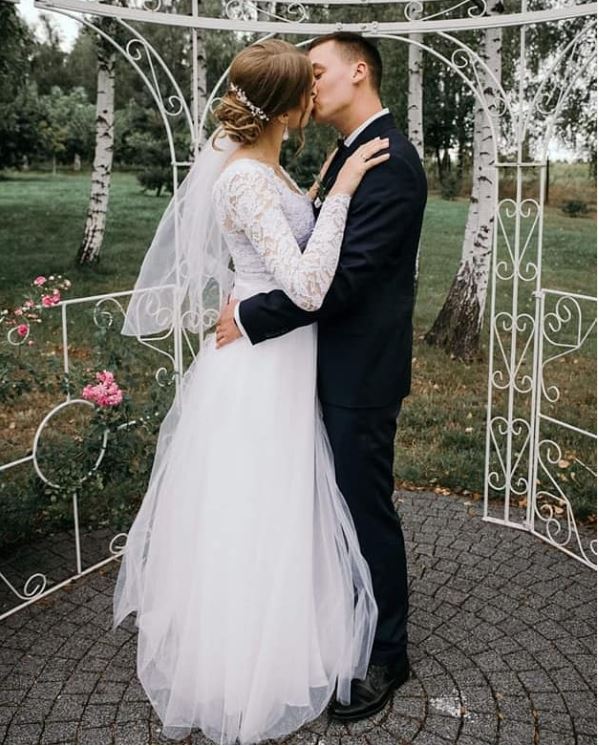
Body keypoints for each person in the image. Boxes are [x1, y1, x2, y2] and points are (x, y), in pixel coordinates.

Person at [113, 39, 391, 745]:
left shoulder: (268, 167)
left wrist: (320, 192)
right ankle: (241, 661)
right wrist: (341, 196)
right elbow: (306, 285)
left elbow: (280, 245)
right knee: (254, 500)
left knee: (284, 495)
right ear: (289, 106)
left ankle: (290, 630)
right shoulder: (243, 177)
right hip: (260, 366)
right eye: (307, 86)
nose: (315, 94)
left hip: (282, 355)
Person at [216, 32, 428, 722]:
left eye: (317, 72)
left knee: (364, 509)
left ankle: (387, 654)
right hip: (312, 363)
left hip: (359, 372)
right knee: (322, 504)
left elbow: (345, 280)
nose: (308, 87)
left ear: (358, 71)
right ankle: (330, 622)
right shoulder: (344, 152)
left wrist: (249, 316)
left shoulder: (389, 160)